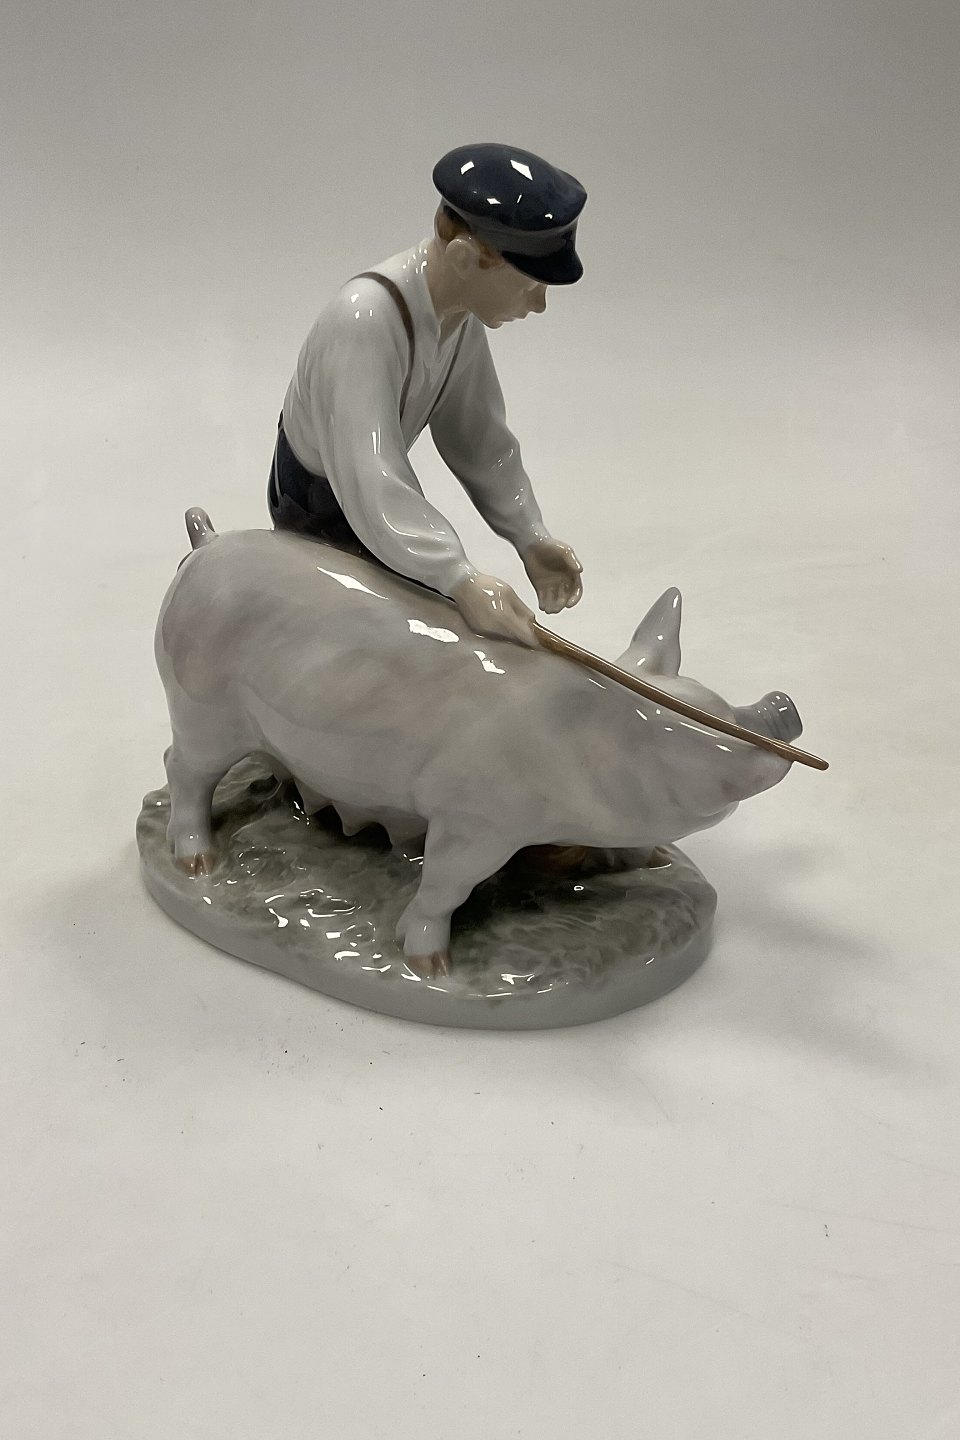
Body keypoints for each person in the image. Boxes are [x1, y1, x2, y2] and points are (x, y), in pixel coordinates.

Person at [268, 142, 587, 646]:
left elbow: (480, 441)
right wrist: (458, 578)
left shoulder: (459, 319)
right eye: (530, 284)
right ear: (466, 258)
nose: (540, 304)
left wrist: (530, 536)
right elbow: (372, 475)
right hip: (318, 515)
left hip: (376, 511)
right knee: (424, 641)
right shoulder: (364, 319)